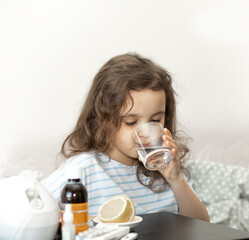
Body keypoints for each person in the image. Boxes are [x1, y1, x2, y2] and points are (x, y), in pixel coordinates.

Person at [42, 52, 210, 222]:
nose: (144, 132)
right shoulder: (85, 169)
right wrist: (86, 223)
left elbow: (201, 226)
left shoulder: (164, 171)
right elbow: (32, 213)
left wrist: (175, 179)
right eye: (131, 122)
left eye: (155, 120)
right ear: (103, 119)